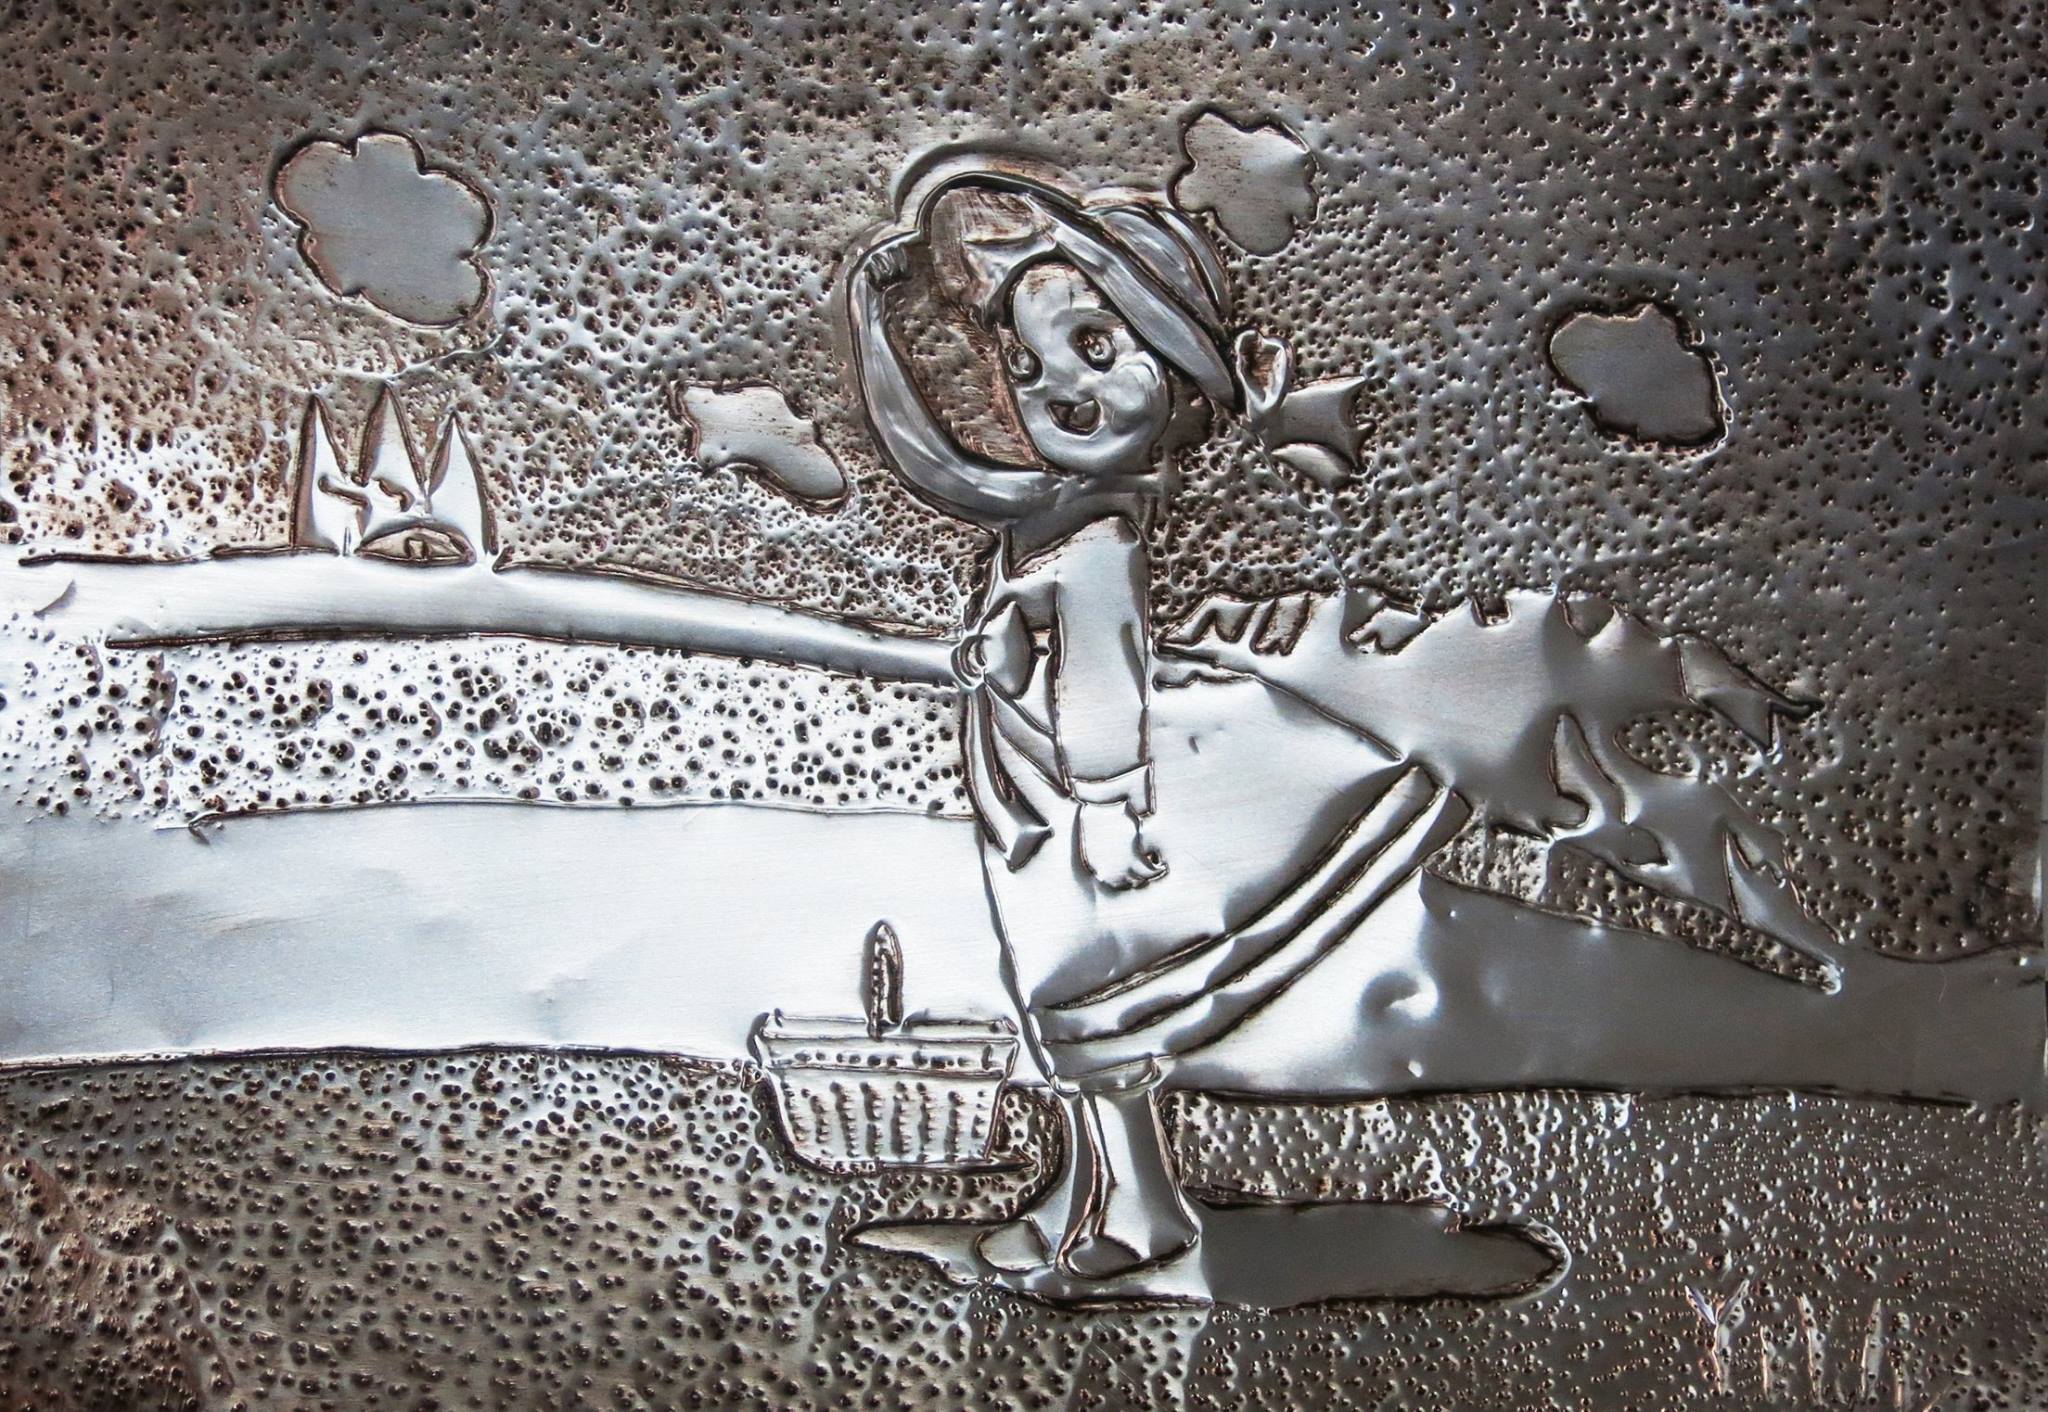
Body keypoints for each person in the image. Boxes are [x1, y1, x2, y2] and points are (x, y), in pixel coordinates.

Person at [846, 170, 1465, 1286]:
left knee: (1090, 999)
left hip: (1077, 796)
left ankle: (1136, 1211)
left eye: (1096, 347)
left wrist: (1101, 801)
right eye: (1028, 367)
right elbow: (928, 461)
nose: (1060, 391)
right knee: (1062, 1002)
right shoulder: (1045, 508)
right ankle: (1084, 1192)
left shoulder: (1097, 536)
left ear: (1178, 376)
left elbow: (1104, 675)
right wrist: (869, 321)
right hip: (1029, 789)